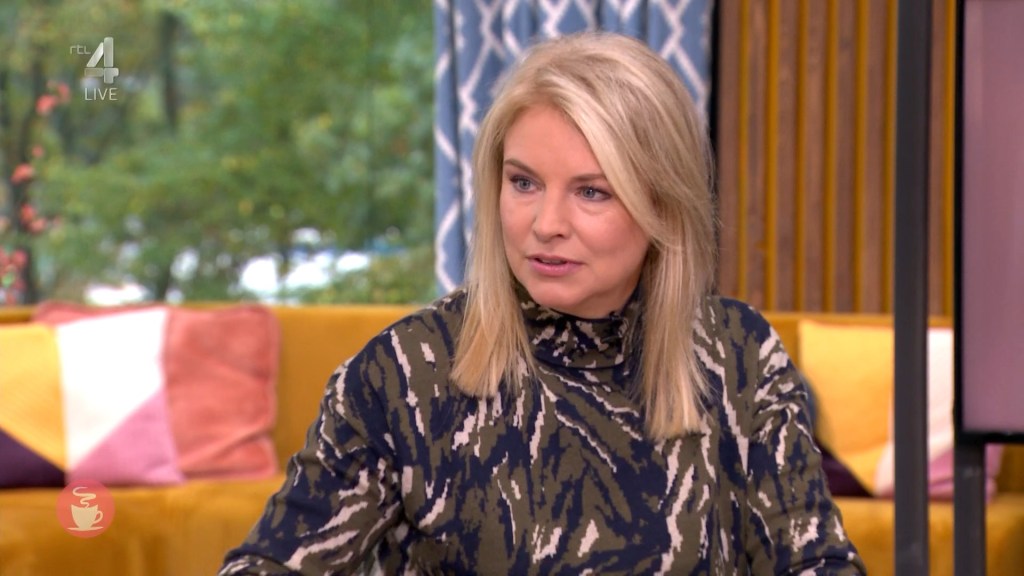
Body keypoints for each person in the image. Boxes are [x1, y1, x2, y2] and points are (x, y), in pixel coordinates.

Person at [220, 32, 865, 575]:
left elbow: (817, 563)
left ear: (662, 207)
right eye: (523, 182)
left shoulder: (738, 356)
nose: (545, 224)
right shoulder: (403, 374)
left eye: (591, 192)